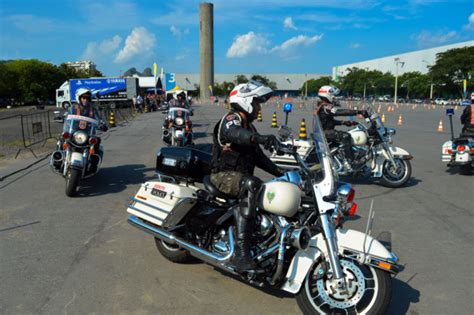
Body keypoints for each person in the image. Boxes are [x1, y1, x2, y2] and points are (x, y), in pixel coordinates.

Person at [210, 81, 283, 271]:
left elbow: (259, 158)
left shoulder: (250, 128)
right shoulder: (232, 118)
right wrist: (260, 138)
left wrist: (282, 173)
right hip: (223, 176)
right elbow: (234, 133)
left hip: (238, 178)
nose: (259, 109)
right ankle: (241, 255)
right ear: (246, 101)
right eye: (257, 103)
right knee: (252, 184)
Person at [317, 85, 367, 171]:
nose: (335, 98)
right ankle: (351, 162)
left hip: (325, 131)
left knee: (346, 136)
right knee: (345, 136)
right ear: (328, 95)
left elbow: (329, 121)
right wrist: (358, 111)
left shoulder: (324, 106)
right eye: (334, 96)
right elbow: (340, 112)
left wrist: (344, 122)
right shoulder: (325, 106)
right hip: (325, 132)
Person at [64, 88, 107, 172]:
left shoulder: (93, 109)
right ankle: (58, 158)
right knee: (63, 137)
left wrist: (102, 124)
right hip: (74, 131)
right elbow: (67, 116)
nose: (85, 100)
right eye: (83, 98)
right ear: (79, 98)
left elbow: (98, 119)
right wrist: (64, 118)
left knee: (96, 141)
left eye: (87, 98)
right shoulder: (73, 108)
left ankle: (93, 164)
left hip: (87, 133)